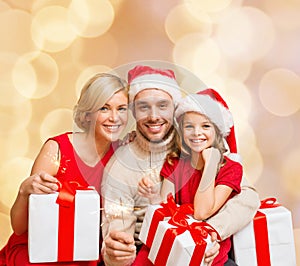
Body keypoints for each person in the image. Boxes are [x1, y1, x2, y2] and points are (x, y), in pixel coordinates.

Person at [101, 65, 260, 266]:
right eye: (143, 107)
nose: (153, 116)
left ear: (175, 108)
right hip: (152, 249)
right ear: (133, 111)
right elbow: (119, 227)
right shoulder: (120, 166)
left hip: (207, 246)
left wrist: (210, 232)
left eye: (162, 105)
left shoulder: (197, 142)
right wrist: (119, 252)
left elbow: (248, 197)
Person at [0, 72, 130, 266]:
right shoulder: (57, 150)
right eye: (104, 108)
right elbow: (19, 228)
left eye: (121, 109)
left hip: (84, 257)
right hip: (37, 256)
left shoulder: (124, 154)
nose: (114, 117)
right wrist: (23, 191)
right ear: (87, 114)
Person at [138, 90, 243, 265]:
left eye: (205, 126)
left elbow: (202, 212)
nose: (196, 133)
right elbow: (166, 208)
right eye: (189, 126)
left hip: (209, 250)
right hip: (175, 243)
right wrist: (153, 195)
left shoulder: (231, 169)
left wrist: (210, 165)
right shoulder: (175, 162)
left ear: (218, 131)